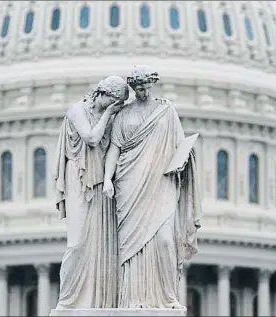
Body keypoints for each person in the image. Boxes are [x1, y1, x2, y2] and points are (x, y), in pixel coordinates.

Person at [103, 65, 202, 309]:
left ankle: (167, 298)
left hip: (162, 182)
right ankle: (133, 299)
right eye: (138, 88)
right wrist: (107, 179)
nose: (143, 91)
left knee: (165, 241)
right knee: (132, 247)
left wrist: (183, 161)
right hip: (130, 185)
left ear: (153, 84)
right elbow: (114, 148)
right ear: (133, 88)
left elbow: (180, 146)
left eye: (146, 86)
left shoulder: (166, 112)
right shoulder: (124, 115)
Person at [54, 76, 129, 309]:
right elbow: (91, 138)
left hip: (101, 184)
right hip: (78, 176)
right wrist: (109, 114)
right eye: (113, 101)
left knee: (102, 245)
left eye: (118, 104)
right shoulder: (77, 110)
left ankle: (99, 302)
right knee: (77, 243)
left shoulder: (113, 117)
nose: (114, 107)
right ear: (102, 93)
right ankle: (68, 302)